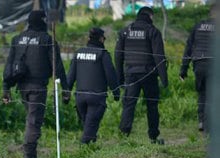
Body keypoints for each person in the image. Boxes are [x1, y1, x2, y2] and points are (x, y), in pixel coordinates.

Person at [2, 10, 70, 158]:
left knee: (31, 120)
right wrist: (65, 89)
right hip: (38, 87)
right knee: (33, 122)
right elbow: (57, 67)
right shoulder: (47, 40)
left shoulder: (17, 39)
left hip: (21, 86)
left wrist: (6, 88)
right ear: (41, 21)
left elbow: (9, 65)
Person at [115, 6, 168, 144]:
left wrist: (119, 77)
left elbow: (118, 56)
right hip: (149, 75)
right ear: (150, 16)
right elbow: (159, 56)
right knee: (152, 105)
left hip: (131, 74)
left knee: (129, 104)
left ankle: (124, 134)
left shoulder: (125, 31)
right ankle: (153, 136)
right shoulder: (153, 31)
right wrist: (164, 79)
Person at [66, 27, 120, 144]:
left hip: (80, 98)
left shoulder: (78, 53)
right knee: (90, 129)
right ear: (101, 39)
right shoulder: (103, 54)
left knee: (88, 126)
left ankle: (91, 149)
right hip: (96, 98)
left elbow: (70, 76)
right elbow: (111, 75)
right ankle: (83, 152)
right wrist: (116, 93)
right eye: (104, 38)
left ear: (89, 39)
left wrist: (66, 94)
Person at [179, 5, 215, 132]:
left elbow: (188, 47)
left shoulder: (198, 26)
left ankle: (201, 121)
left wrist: (183, 69)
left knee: (202, 94)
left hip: (199, 63)